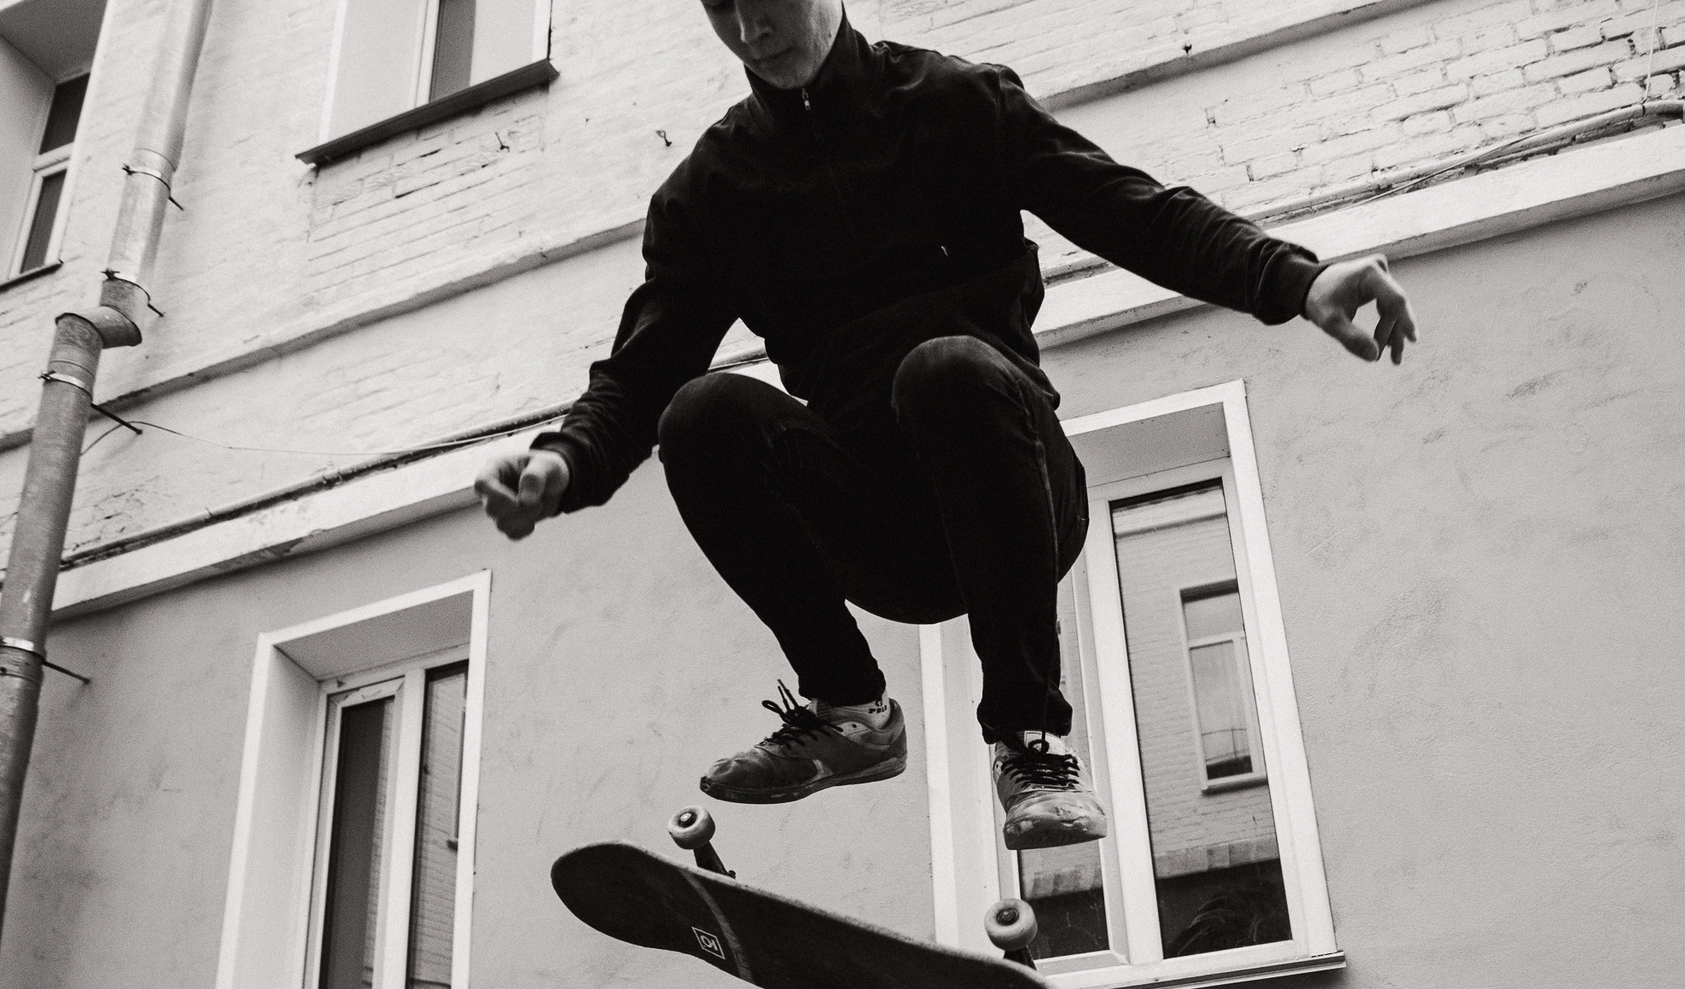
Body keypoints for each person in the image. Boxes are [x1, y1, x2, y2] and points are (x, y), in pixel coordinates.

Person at [475, 0, 1417, 852]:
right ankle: (850, 710)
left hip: (1016, 485)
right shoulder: (716, 190)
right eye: (720, 8)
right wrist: (567, 461)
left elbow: (1131, 210)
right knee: (701, 414)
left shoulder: (955, 103)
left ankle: (1029, 739)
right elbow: (643, 370)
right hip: (880, 529)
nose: (749, 28)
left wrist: (1295, 278)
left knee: (946, 367)